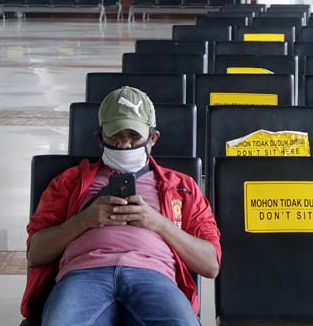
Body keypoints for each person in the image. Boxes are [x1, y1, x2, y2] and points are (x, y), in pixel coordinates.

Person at [21, 86, 221, 325]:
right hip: (84, 274)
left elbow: (210, 265)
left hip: (153, 275)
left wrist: (158, 223)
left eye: (134, 137)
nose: (125, 145)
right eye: (115, 136)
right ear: (99, 138)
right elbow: (36, 253)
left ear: (153, 138)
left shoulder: (181, 187)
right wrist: (84, 221)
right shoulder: (69, 181)